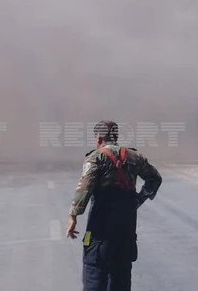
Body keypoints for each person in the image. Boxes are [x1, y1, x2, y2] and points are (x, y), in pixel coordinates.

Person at [65, 120, 162, 291]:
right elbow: (154, 178)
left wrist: (73, 215)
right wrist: (138, 199)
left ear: (99, 137)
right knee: (122, 277)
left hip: (100, 230)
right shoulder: (134, 157)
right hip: (126, 229)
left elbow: (85, 188)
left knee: (94, 272)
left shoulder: (96, 157)